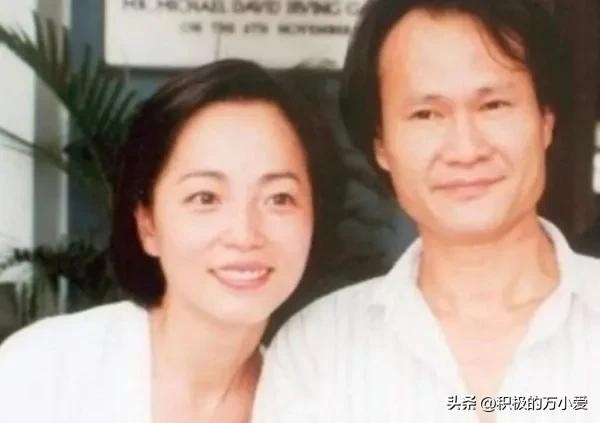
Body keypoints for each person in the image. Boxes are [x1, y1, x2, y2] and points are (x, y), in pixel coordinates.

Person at [253, 0, 600, 422]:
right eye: (426, 114)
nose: (466, 149)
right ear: (380, 144)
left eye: (493, 105)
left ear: (546, 119)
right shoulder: (317, 351)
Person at [0, 59, 342, 423]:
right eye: (205, 198)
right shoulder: (43, 371)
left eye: (279, 198)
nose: (244, 234)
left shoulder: (324, 405)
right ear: (147, 224)